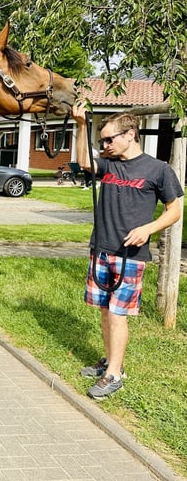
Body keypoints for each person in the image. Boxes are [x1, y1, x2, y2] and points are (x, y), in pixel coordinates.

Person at [71, 103, 183, 400]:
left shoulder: (158, 169)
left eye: (109, 140)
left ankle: (115, 374)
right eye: (102, 141)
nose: (104, 146)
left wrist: (149, 229)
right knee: (106, 311)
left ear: (130, 134)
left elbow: (175, 211)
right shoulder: (110, 163)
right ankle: (109, 360)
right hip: (101, 249)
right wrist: (81, 125)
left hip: (130, 257)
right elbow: (84, 162)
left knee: (119, 314)